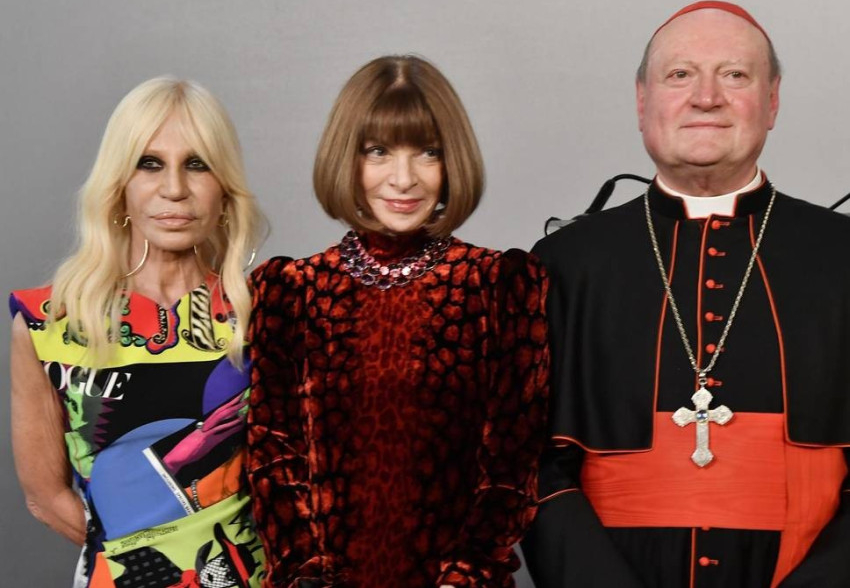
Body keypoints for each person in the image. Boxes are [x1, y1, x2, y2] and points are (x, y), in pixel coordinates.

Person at [523, 1, 850, 588]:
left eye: (735, 75)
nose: (706, 97)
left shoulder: (843, 254)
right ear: (641, 101)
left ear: (772, 101)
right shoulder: (562, 264)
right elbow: (529, 468)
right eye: (680, 75)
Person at [247, 55, 549, 587]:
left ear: (452, 162)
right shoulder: (291, 289)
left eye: (428, 152)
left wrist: (465, 577)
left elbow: (512, 464)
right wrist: (306, 576)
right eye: (378, 151)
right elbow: (273, 455)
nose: (403, 179)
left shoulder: (498, 285)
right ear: (347, 157)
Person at [9, 77, 267, 587]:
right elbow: (45, 497)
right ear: (119, 184)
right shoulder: (48, 321)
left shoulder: (264, 313)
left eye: (197, 164)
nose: (174, 188)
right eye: (150, 163)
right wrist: (138, 563)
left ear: (224, 189)